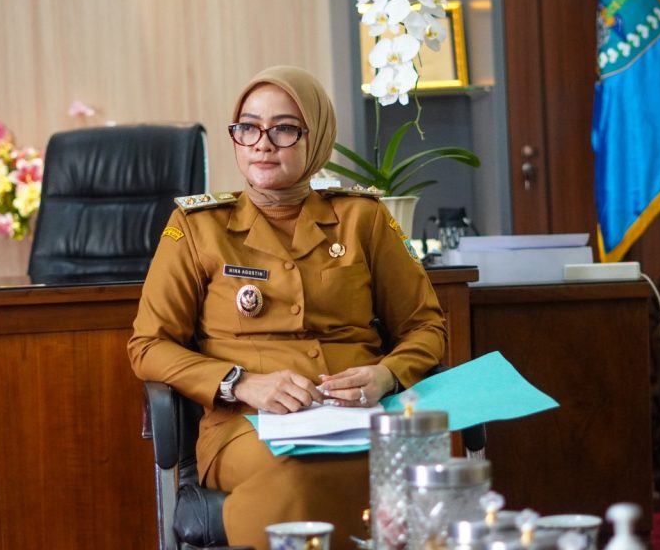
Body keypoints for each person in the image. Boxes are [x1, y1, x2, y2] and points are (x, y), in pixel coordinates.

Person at [128, 65, 446, 549]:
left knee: (394, 469)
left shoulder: (363, 219)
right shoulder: (196, 227)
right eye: (248, 128)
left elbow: (426, 326)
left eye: (283, 128)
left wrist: (386, 375)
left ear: (315, 138)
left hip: (360, 418)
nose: (262, 143)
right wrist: (240, 382)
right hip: (247, 426)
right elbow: (148, 346)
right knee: (299, 480)